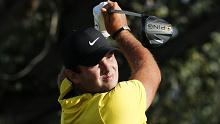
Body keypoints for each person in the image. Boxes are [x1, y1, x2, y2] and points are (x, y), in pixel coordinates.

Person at [58, 1, 161, 124]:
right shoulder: (114, 105)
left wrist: (101, 36)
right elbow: (152, 74)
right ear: (74, 75)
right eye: (94, 63)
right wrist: (121, 32)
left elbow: (63, 77)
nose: (107, 68)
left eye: (109, 56)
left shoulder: (70, 100)